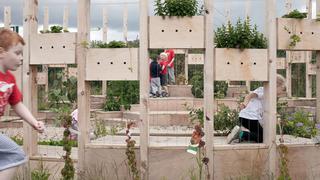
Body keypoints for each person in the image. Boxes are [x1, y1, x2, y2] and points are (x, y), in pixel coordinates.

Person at [0, 28, 45, 179]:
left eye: (22, 55)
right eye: (17, 53)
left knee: (14, 155)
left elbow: (17, 104)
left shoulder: (10, 80)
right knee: (15, 154)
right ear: (2, 52)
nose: (21, 58)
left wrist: (33, 122)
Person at [227, 74, 287, 144]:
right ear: (275, 85)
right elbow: (249, 96)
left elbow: (264, 112)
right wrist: (244, 104)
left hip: (247, 118)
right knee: (262, 137)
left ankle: (242, 136)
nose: (279, 95)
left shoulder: (269, 96)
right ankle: (241, 134)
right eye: (281, 90)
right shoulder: (264, 90)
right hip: (249, 117)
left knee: (260, 134)